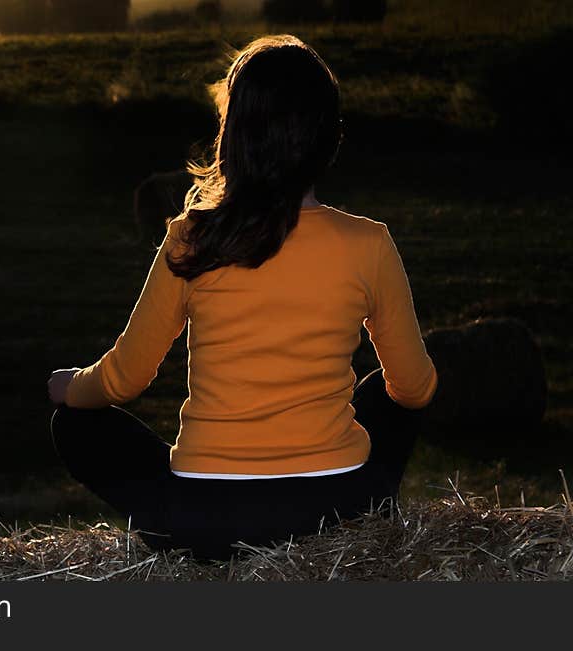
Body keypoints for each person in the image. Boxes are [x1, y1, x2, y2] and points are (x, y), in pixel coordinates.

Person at [46, 34, 439, 561]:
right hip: (338, 510)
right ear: (329, 138)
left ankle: (182, 518)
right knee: (386, 391)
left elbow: (125, 378)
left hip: (204, 522)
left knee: (74, 424)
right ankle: (353, 512)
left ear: (231, 137)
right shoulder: (369, 244)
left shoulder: (191, 238)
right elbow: (415, 388)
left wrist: (71, 388)